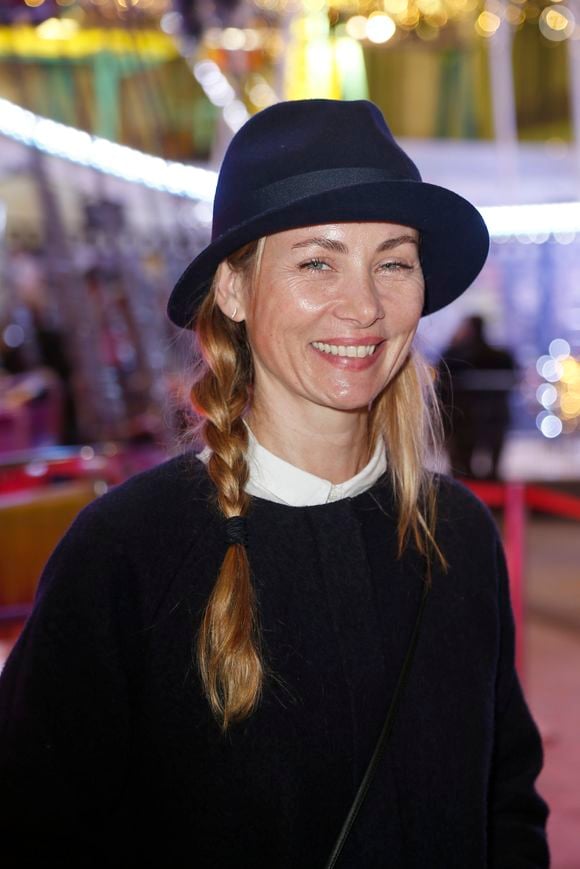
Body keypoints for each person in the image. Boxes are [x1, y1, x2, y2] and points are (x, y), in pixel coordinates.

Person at [0, 100, 549, 867]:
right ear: (232, 289)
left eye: (392, 261)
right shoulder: (126, 553)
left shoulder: (454, 534)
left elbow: (506, 807)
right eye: (317, 261)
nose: (362, 306)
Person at [439, 315, 517, 478]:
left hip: (462, 420)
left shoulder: (454, 356)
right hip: (492, 420)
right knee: (492, 473)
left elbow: (442, 384)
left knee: (461, 471)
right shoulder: (501, 357)